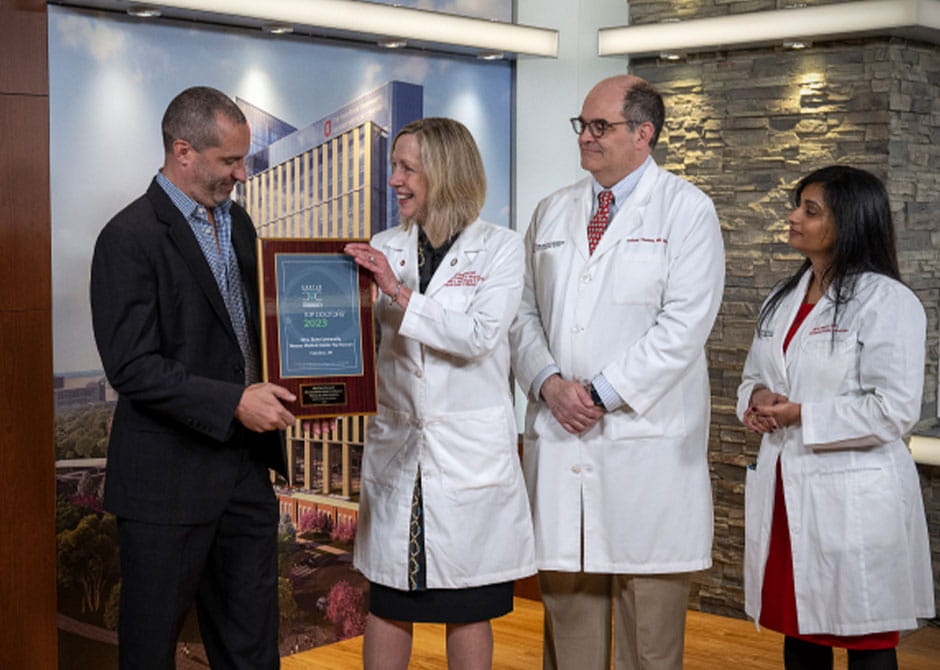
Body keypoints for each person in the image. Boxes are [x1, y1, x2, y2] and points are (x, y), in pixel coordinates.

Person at [509, 75, 724, 670]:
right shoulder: (553, 210)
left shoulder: (686, 210)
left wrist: (599, 395)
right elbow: (521, 314)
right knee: (569, 628)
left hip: (644, 450)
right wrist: (550, 384)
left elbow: (683, 327)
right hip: (560, 436)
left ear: (643, 134)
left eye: (600, 127)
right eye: (583, 125)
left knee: (647, 639)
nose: (587, 138)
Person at [90, 86, 298, 669]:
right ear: (183, 151)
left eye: (243, 159)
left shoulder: (239, 225)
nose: (241, 173)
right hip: (164, 486)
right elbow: (131, 366)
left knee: (252, 648)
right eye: (229, 161)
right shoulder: (127, 238)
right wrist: (234, 402)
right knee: (151, 648)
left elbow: (259, 332)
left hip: (246, 474)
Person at [344, 117, 536, 670]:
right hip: (399, 448)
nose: (395, 179)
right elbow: (360, 345)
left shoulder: (499, 249)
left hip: (467, 455)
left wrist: (398, 293)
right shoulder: (385, 246)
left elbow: (477, 336)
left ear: (445, 174)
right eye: (394, 166)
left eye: (407, 168)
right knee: (387, 601)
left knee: (468, 604)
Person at [737, 165, 935, 670]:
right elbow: (753, 378)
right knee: (801, 629)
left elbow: (894, 411)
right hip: (788, 488)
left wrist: (802, 413)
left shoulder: (888, 301)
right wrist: (758, 400)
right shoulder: (781, 299)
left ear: (848, 223)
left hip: (853, 498)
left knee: (865, 637)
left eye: (810, 210)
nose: (793, 217)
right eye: (796, 205)